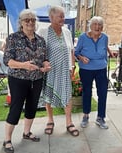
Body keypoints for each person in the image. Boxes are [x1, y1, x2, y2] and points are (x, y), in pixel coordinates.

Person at [2, 9, 50, 153]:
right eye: (26, 20)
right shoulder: (13, 38)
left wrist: (46, 65)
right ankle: (7, 140)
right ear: (21, 23)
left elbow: (44, 58)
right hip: (18, 79)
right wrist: (24, 65)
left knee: (32, 106)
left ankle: (27, 132)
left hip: (36, 79)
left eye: (33, 20)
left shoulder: (41, 40)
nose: (30, 22)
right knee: (16, 109)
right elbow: (7, 61)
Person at [38, 5, 79, 137]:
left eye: (63, 16)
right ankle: (50, 120)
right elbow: (38, 52)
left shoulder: (66, 31)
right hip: (50, 71)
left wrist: (72, 67)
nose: (63, 18)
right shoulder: (43, 31)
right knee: (48, 95)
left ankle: (69, 122)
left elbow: (71, 51)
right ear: (51, 17)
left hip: (65, 70)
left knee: (67, 95)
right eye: (60, 16)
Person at [75, 16, 109, 129]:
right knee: (87, 92)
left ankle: (101, 117)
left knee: (103, 93)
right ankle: (85, 115)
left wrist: (105, 63)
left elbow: (105, 51)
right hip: (86, 69)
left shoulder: (105, 37)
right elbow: (76, 52)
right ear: (90, 25)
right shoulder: (83, 37)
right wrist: (81, 58)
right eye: (95, 24)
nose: (97, 27)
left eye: (100, 25)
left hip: (101, 69)